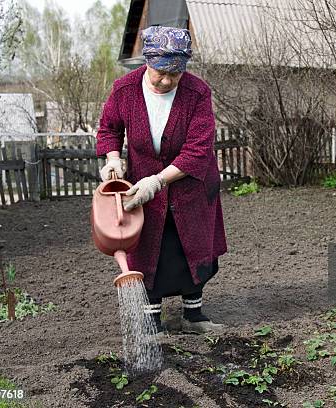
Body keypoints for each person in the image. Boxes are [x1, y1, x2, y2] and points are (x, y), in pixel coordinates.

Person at [96, 25, 227, 334]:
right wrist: (113, 159)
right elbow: (109, 129)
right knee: (147, 247)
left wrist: (158, 181)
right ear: (147, 63)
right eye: (161, 74)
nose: (168, 81)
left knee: (190, 246)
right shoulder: (124, 90)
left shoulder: (197, 93)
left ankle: (192, 316)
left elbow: (198, 149)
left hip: (191, 186)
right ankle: (151, 318)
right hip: (140, 184)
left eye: (175, 74)